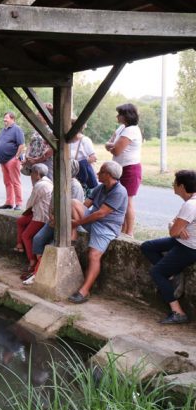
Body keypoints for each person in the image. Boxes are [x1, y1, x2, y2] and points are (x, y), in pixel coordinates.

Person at [140, 170, 196, 325]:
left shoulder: (191, 205)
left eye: (175, 182)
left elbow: (173, 232)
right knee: (147, 246)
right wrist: (176, 227)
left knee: (156, 272)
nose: (173, 185)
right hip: (181, 242)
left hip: (189, 248)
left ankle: (178, 312)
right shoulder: (190, 201)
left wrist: (176, 228)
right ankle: (173, 274)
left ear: (182, 186)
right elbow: (175, 227)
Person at [68, 161, 128, 303]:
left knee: (94, 255)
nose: (97, 174)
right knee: (73, 202)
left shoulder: (119, 191)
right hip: (92, 221)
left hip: (106, 227)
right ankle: (74, 231)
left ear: (108, 175)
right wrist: (74, 219)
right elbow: (85, 205)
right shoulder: (101, 187)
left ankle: (84, 291)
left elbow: (101, 214)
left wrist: (77, 222)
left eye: (101, 172)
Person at [28, 160, 85, 284]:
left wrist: (58, 219)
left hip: (66, 223)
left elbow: (72, 207)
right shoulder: (59, 182)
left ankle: (41, 273)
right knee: (38, 239)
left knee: (54, 246)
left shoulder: (75, 186)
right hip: (53, 220)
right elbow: (52, 202)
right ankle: (39, 268)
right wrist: (51, 216)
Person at [105, 103, 142, 237]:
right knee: (120, 199)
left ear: (126, 116)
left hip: (130, 169)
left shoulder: (131, 130)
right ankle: (122, 229)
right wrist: (110, 145)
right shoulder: (122, 128)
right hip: (120, 168)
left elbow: (116, 150)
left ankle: (129, 233)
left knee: (128, 200)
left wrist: (110, 146)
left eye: (119, 114)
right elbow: (110, 143)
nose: (117, 116)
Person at [15, 164, 53, 281]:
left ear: (37, 174)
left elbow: (29, 204)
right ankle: (19, 245)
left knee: (26, 236)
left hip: (42, 216)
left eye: (31, 173)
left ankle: (32, 262)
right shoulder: (48, 182)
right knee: (21, 221)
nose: (30, 176)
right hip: (41, 213)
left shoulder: (40, 185)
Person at [0, 111, 26, 210]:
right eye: (4, 117)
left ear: (12, 119)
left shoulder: (17, 129)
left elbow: (21, 145)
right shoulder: (4, 130)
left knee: (15, 182)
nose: (4, 119)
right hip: (3, 161)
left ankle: (19, 203)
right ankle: (9, 203)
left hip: (12, 160)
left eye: (7, 118)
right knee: (7, 182)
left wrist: (16, 157)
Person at [21, 105, 53, 180]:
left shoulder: (52, 130)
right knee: (36, 185)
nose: (38, 114)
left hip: (46, 163)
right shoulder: (38, 128)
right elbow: (31, 143)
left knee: (46, 184)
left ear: (48, 115)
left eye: (40, 113)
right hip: (34, 163)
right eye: (38, 112)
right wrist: (27, 156)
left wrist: (37, 160)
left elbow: (51, 150)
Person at [69, 119, 98, 193]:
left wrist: (78, 164)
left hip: (82, 174)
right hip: (70, 174)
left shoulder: (85, 140)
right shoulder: (67, 141)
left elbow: (93, 158)